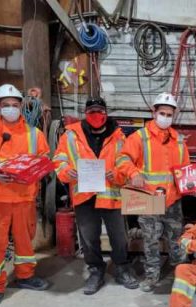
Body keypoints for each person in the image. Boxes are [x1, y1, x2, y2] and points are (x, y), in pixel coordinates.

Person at [0, 84, 50, 307]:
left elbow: (44, 159)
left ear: (21, 106)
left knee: (25, 241)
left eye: (15, 105)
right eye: (6, 105)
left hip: (25, 197)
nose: (11, 109)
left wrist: (36, 170)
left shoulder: (34, 133)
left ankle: (25, 276)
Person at [53, 97, 137, 295]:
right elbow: (59, 159)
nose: (96, 115)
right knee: (88, 237)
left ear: (106, 113)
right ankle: (96, 271)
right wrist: (67, 172)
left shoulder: (119, 136)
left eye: (100, 111)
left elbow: (126, 162)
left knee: (118, 236)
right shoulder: (71, 135)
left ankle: (122, 268)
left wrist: (116, 174)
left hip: (110, 193)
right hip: (84, 193)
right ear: (85, 113)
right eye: (91, 112)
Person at [117, 92, 190, 292]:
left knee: (177, 240)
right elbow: (122, 159)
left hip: (173, 200)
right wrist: (133, 173)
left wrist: (194, 185)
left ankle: (182, 277)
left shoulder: (180, 140)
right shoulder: (139, 138)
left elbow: (185, 171)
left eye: (169, 114)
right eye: (162, 113)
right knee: (150, 240)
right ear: (154, 112)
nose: (166, 117)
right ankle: (151, 276)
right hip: (149, 199)